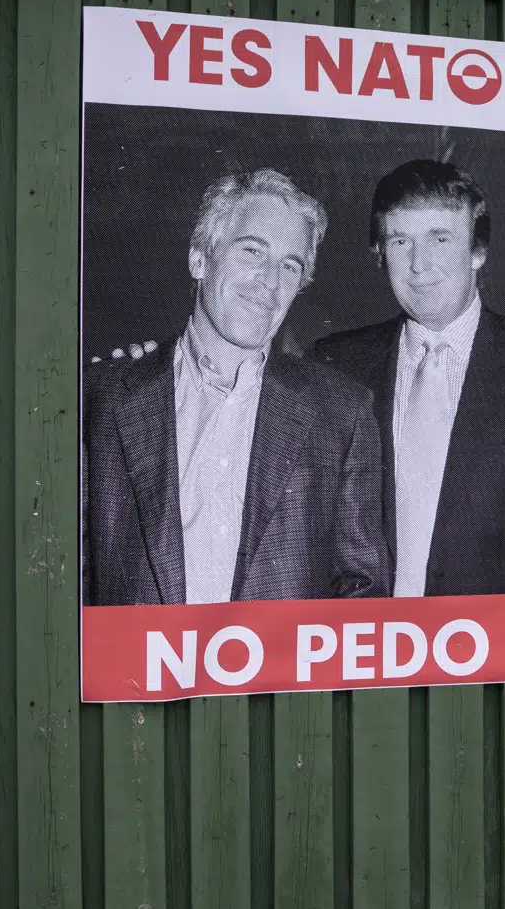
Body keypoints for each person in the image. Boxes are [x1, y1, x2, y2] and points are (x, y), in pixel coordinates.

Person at [82, 168, 391, 605]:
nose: (270, 280)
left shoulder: (342, 414)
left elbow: (364, 596)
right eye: (252, 251)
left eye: (290, 265)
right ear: (200, 259)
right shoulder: (98, 401)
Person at [310, 159, 505, 598]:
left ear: (478, 251)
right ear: (379, 254)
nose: (419, 264)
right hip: (366, 649)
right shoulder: (334, 365)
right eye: (401, 241)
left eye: (440, 238)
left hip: (492, 653)